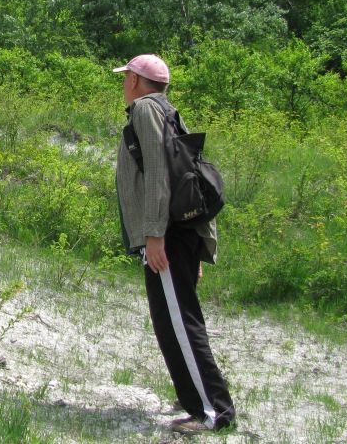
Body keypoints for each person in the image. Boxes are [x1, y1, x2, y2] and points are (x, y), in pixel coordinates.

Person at [114, 54, 236, 434]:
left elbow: (159, 177)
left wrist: (154, 236)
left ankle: (214, 412)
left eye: (125, 77)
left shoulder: (145, 111)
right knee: (175, 321)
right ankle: (198, 401)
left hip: (166, 236)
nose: (123, 85)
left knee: (179, 323)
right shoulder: (167, 110)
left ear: (135, 80)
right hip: (178, 235)